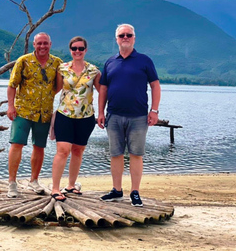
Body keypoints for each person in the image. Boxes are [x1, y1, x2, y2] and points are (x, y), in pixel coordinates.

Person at [97, 24, 161, 207]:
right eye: (121, 35)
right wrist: (100, 112)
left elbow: (155, 86)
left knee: (136, 154)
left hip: (138, 116)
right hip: (114, 115)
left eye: (128, 35)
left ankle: (135, 192)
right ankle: (117, 190)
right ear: (116, 39)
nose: (125, 37)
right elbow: (103, 88)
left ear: (134, 38)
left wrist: (154, 111)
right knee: (115, 154)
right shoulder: (110, 62)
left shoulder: (144, 60)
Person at [6, 32, 63, 198]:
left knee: (39, 146)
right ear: (34, 44)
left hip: (44, 113)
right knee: (17, 144)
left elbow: (58, 86)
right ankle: (11, 183)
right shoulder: (23, 61)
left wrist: (48, 96)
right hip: (23, 111)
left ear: (50, 44)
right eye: (39, 43)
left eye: (45, 43)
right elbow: (12, 85)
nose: (42, 46)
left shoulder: (57, 63)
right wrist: (11, 106)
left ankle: (34, 180)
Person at [50, 36, 101, 201]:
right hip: (65, 115)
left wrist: (103, 112)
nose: (77, 51)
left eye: (80, 48)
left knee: (78, 151)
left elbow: (103, 92)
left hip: (86, 117)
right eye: (74, 48)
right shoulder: (62, 69)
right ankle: (55, 188)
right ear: (70, 50)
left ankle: (71, 185)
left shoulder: (94, 71)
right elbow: (56, 90)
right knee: (63, 151)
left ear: (86, 50)